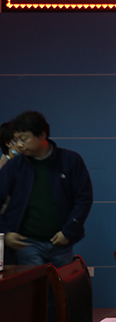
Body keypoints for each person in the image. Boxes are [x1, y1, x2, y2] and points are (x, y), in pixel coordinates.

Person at [0, 111, 93, 268]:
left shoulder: (70, 160)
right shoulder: (15, 166)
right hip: (26, 243)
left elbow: (83, 198)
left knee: (61, 282)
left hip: (60, 241)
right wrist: (6, 232)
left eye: (24, 139)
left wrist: (69, 231)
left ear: (42, 135)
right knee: (36, 281)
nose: (20, 144)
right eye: (16, 140)